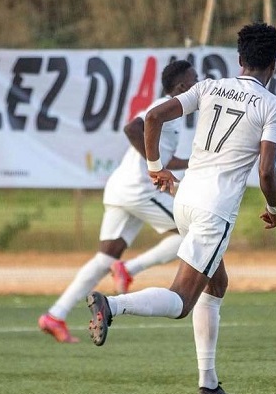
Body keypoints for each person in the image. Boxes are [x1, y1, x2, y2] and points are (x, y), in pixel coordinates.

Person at [86, 22, 276, 394]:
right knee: (181, 301)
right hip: (214, 210)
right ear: (273, 66)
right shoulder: (272, 106)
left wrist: (155, 167)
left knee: (216, 285)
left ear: (240, 59)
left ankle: (209, 386)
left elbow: (152, 118)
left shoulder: (209, 87)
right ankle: (113, 305)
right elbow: (265, 170)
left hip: (185, 199)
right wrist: (273, 208)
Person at [37, 60, 198, 343]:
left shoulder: (171, 116)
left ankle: (55, 314)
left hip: (122, 189)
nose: (200, 85)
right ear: (183, 87)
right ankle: (129, 269)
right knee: (192, 233)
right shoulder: (164, 107)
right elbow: (132, 129)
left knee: (104, 259)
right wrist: (154, 167)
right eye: (195, 80)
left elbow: (162, 156)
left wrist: (191, 162)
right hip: (139, 191)